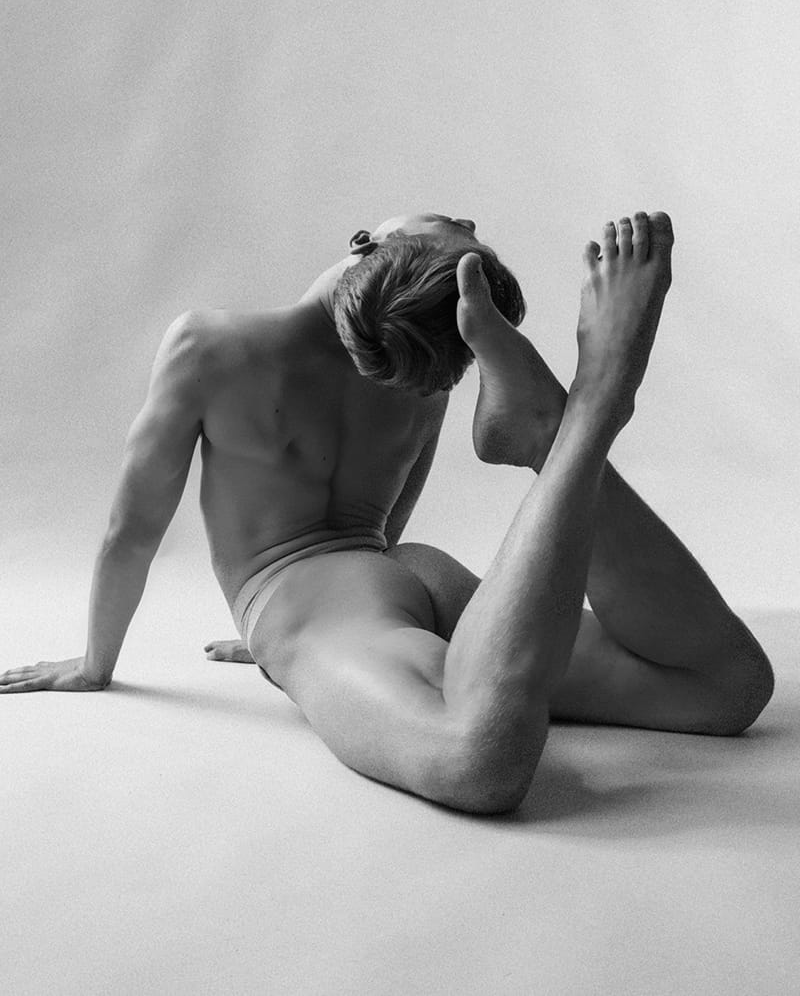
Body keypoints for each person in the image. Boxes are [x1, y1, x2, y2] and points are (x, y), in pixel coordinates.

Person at [0, 211, 774, 814]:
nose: (469, 221)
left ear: (367, 243)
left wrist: (99, 662)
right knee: (722, 687)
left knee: (476, 758)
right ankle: (550, 429)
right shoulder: (421, 368)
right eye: (459, 228)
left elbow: (132, 529)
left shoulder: (212, 345)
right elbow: (387, 522)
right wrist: (365, 623)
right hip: (412, 576)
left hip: (312, 605)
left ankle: (590, 409)